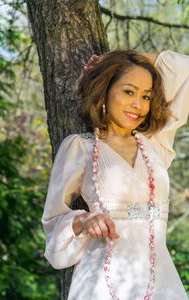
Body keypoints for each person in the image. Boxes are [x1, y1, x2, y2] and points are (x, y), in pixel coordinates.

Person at [41, 49, 189, 300]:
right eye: (129, 92)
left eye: (146, 96)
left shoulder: (156, 144)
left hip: (163, 286)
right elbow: (53, 222)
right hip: (100, 285)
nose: (138, 104)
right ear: (105, 92)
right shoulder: (81, 148)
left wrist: (126, 56)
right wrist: (84, 220)